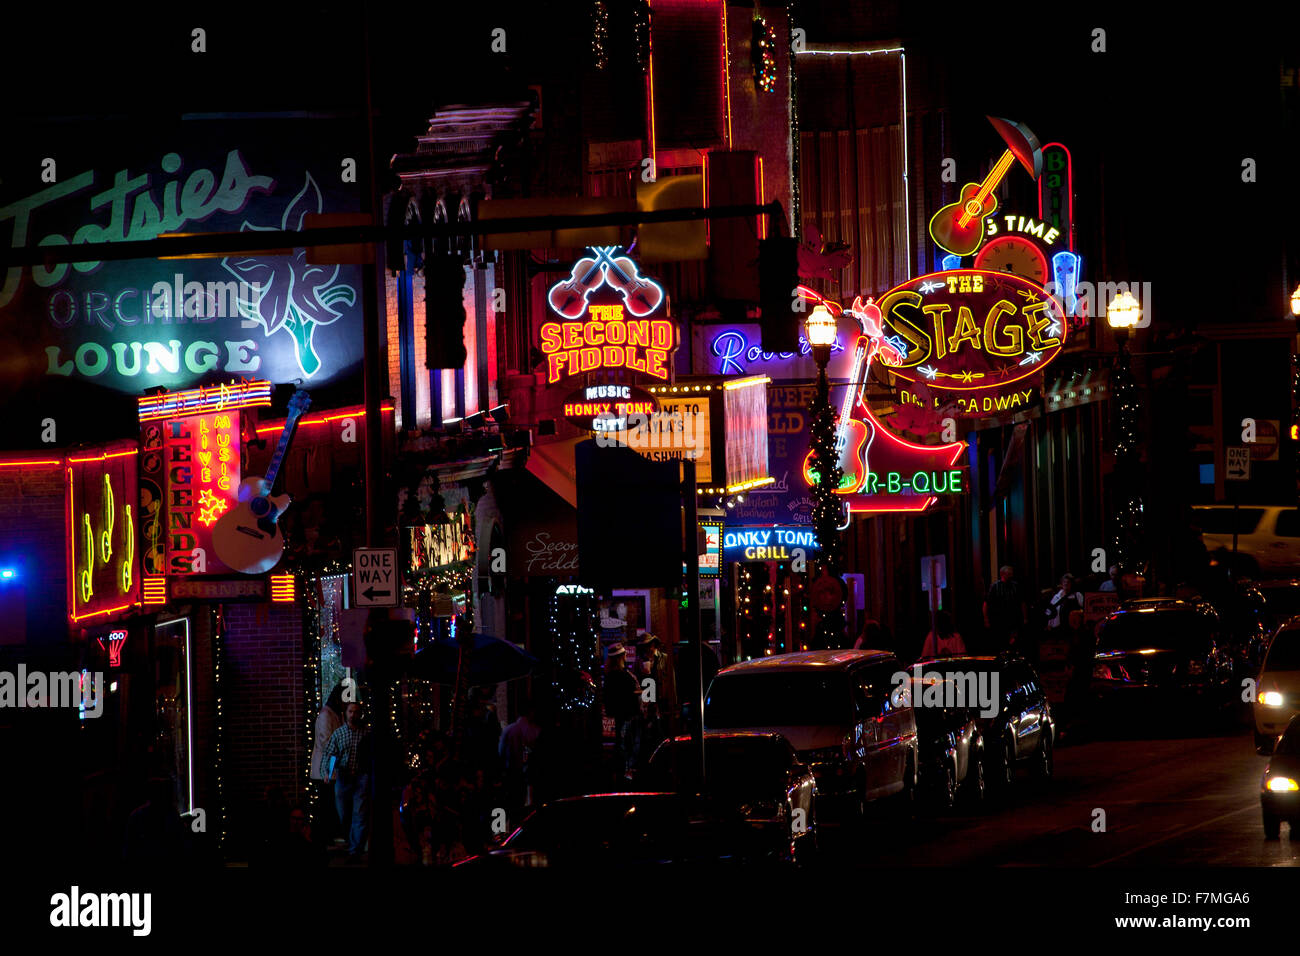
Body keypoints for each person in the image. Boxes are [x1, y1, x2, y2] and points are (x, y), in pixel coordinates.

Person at [323, 701, 372, 863]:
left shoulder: (366, 733)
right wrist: (328, 773)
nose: (354, 715)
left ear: (360, 714)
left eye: (357, 712)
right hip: (343, 776)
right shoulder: (339, 734)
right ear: (346, 714)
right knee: (344, 813)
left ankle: (355, 850)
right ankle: (352, 843)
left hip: (361, 776)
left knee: (360, 813)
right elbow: (331, 754)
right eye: (351, 711)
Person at [310, 682, 346, 843]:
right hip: (326, 768)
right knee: (327, 803)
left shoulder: (335, 713)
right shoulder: (326, 715)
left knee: (329, 802)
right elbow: (326, 741)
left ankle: (329, 833)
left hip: (330, 767)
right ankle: (326, 835)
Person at [603, 644, 640, 777]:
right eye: (624, 654)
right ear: (620, 657)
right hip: (628, 714)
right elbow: (633, 692)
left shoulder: (609, 676)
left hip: (621, 715)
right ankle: (627, 771)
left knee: (623, 742)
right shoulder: (623, 675)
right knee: (629, 744)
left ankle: (623, 770)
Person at [499, 698, 541, 814]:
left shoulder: (508, 730)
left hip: (508, 775)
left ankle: (502, 831)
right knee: (521, 810)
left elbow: (501, 753)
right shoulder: (534, 731)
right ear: (531, 712)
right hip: (523, 777)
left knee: (506, 809)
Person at [983, 565, 1027, 651]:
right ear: (1002, 574)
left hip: (1014, 620)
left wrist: (1025, 617)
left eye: (1011, 574)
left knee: (1014, 643)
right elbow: (986, 603)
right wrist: (986, 619)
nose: (1011, 576)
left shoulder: (1016, 586)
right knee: (1001, 643)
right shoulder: (995, 586)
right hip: (999, 620)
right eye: (1009, 574)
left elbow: (1022, 602)